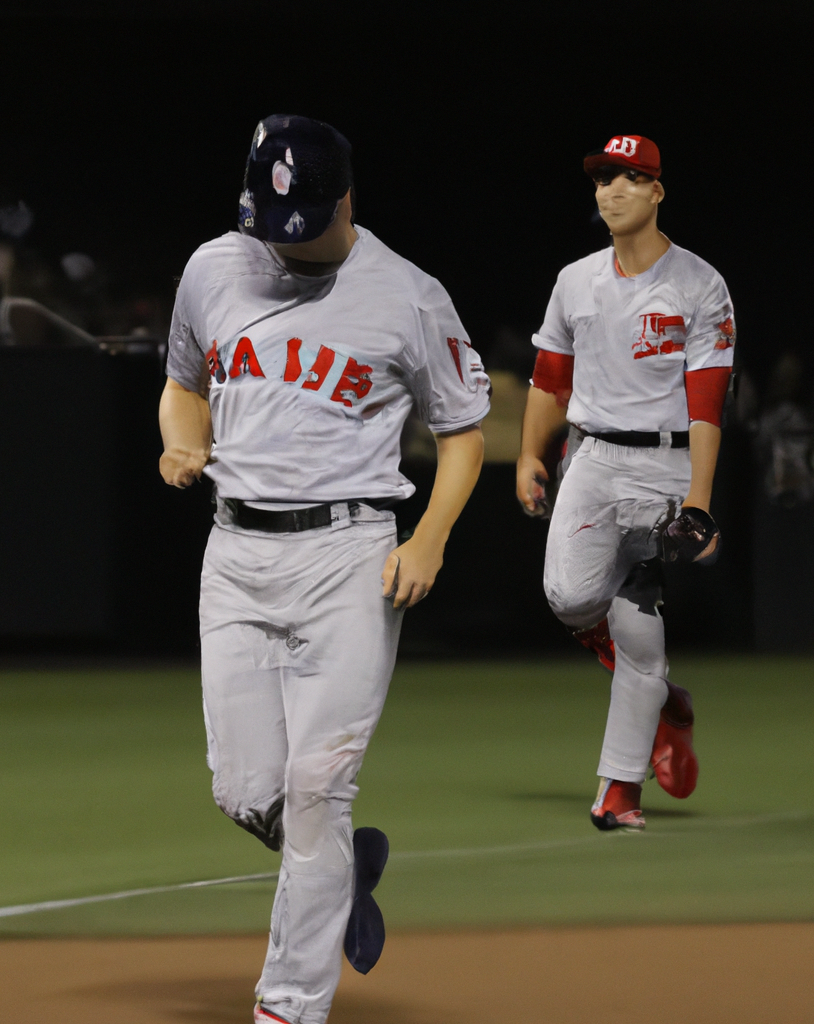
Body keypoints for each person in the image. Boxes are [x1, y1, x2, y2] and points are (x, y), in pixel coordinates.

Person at [159, 114, 490, 1024]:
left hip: (349, 554)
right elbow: (183, 380)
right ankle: (345, 873)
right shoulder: (214, 266)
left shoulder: (407, 294)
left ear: (346, 199)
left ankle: (289, 1006)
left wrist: (429, 538)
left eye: (306, 217)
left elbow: (463, 430)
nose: (286, 237)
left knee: (316, 788)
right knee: (247, 792)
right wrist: (181, 441)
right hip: (234, 554)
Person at [516, 135, 735, 831]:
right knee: (568, 597)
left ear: (657, 191)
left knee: (638, 626)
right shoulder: (575, 280)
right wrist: (529, 456)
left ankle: (619, 791)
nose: (612, 190)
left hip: (666, 464)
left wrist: (698, 499)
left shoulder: (699, 284)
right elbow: (550, 381)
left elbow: (707, 402)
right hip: (593, 459)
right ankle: (667, 703)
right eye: (604, 178)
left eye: (630, 178)